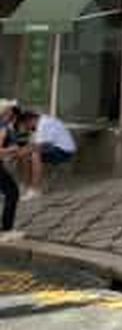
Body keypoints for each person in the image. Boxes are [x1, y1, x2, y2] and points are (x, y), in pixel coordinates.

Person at [14, 109, 76, 200]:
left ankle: (35, 190)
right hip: (54, 148)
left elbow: (43, 145)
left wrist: (24, 150)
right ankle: (26, 185)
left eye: (26, 125)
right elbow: (36, 144)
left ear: (30, 120)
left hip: (64, 152)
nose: (27, 128)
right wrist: (22, 151)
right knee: (26, 155)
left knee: (35, 154)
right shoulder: (40, 123)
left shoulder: (44, 123)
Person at [0, 100, 21, 238]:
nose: (12, 114)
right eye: (9, 111)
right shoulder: (2, 128)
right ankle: (7, 229)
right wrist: (12, 150)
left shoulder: (6, 127)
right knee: (12, 192)